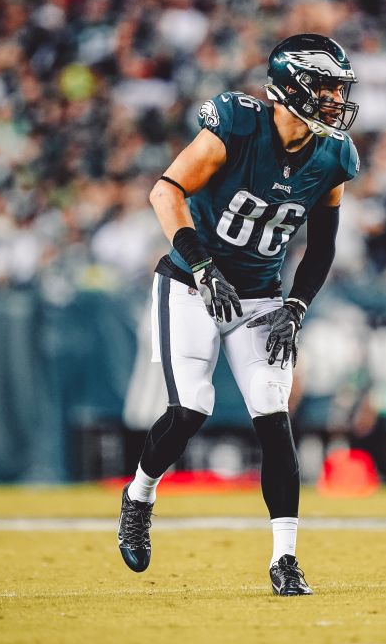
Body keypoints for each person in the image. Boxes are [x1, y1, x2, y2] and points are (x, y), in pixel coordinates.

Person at [116, 34, 361, 596]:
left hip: (259, 297)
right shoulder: (239, 123)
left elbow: (320, 247)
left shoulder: (333, 155)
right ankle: (139, 496)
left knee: (273, 413)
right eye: (325, 88)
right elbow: (165, 192)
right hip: (193, 282)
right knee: (193, 406)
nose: (334, 100)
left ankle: (285, 558)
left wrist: (295, 306)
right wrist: (203, 268)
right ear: (292, 86)